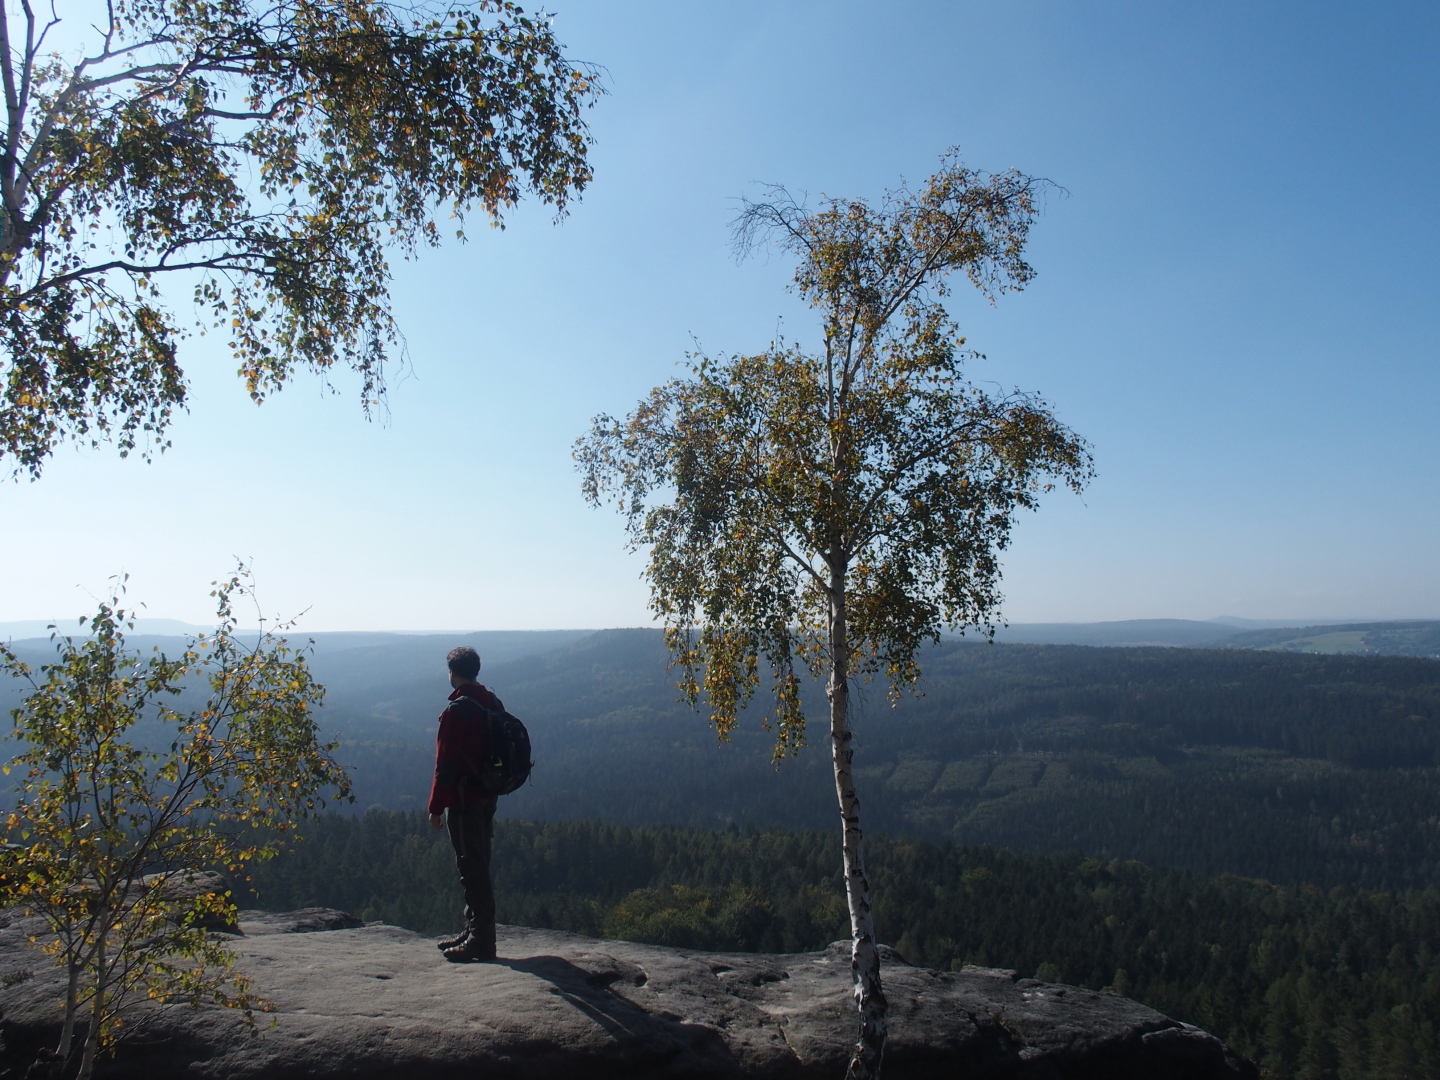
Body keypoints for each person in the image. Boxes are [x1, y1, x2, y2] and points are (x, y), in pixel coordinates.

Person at [428, 645, 503, 962]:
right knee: (478, 863)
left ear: (453, 672)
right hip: (488, 795)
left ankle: (481, 941)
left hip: (463, 799)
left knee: (471, 868)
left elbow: (445, 765)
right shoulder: (491, 701)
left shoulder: (456, 711)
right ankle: (473, 929)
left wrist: (435, 807)